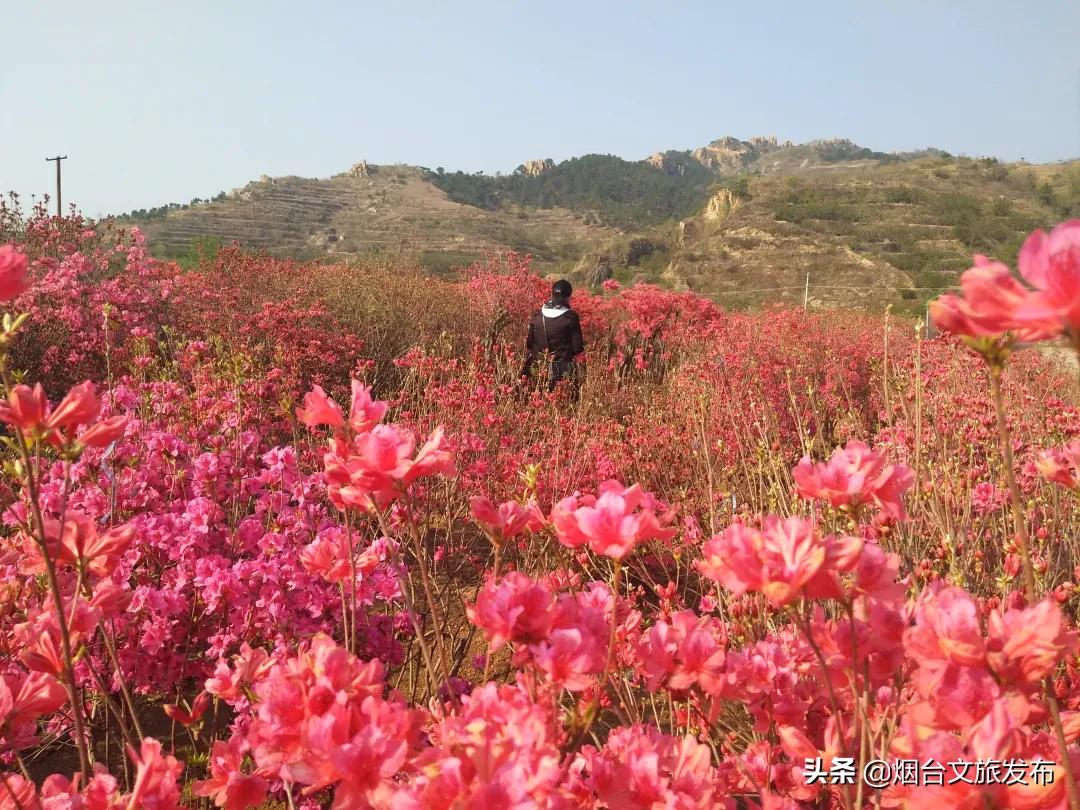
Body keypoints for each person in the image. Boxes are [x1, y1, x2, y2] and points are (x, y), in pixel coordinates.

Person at [522, 279, 584, 392]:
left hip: (538, 369)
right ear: (568, 297)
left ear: (552, 294)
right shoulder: (570, 317)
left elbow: (529, 343)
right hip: (561, 372)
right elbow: (578, 348)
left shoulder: (538, 315)